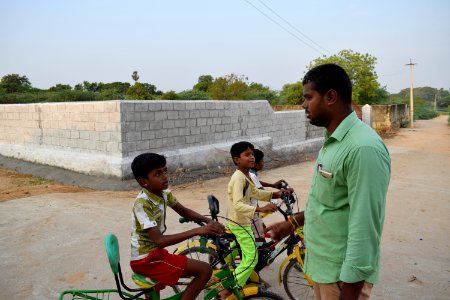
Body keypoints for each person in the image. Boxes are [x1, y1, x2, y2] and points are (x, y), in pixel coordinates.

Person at [266, 64, 391, 300]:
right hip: (323, 269)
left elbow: (365, 225)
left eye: (308, 97)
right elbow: (328, 202)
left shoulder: (362, 148)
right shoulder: (333, 140)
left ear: (331, 96)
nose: (304, 105)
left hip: (342, 279)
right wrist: (292, 223)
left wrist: (351, 291)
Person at [129, 153, 225, 300]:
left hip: (154, 254)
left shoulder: (163, 193)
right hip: (146, 259)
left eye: (165, 171)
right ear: (144, 182)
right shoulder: (142, 204)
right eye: (158, 174)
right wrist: (198, 230)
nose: (165, 176)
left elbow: (185, 212)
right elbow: (159, 241)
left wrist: (208, 222)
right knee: (205, 271)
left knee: (154, 295)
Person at [225, 141, 286, 294]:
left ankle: (226, 268)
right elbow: (238, 204)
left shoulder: (246, 176)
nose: (252, 157)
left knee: (240, 251)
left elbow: (256, 193)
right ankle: (229, 289)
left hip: (241, 221)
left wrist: (275, 194)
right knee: (251, 258)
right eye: (247, 155)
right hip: (239, 223)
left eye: (252, 154)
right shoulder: (238, 178)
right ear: (236, 159)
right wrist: (260, 208)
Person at [249, 148, 293, 243]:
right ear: (256, 164)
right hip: (250, 211)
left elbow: (257, 183)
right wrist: (279, 196)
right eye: (262, 161)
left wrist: (272, 185)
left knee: (262, 227)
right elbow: (263, 194)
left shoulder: (251, 174)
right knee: (261, 241)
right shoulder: (251, 175)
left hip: (251, 207)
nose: (263, 163)